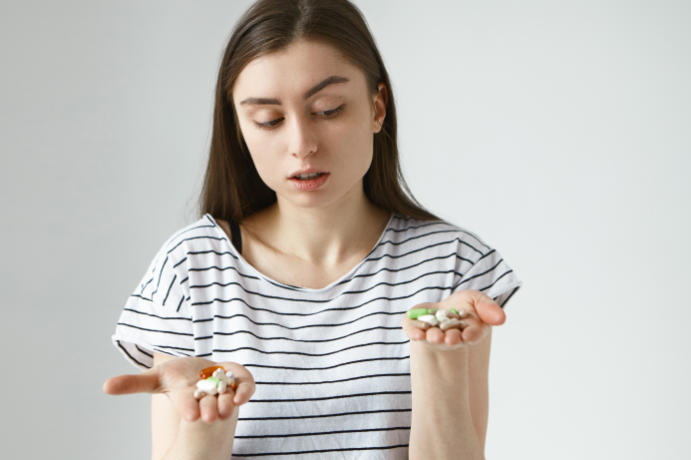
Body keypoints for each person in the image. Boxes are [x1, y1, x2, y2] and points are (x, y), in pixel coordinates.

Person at [103, 0, 521, 458]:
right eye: (269, 120)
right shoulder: (191, 268)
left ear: (377, 106)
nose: (301, 145)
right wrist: (208, 422)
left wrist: (438, 356)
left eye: (327, 110)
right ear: (239, 129)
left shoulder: (452, 264)